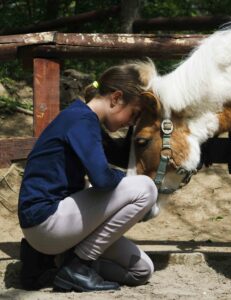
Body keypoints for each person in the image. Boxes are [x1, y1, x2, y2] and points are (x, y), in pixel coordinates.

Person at [18, 60, 158, 292]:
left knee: (142, 270)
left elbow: (122, 157)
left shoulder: (86, 121)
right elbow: (102, 179)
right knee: (146, 188)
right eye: (133, 114)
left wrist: (141, 124)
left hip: (62, 226)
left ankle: (50, 263)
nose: (131, 122)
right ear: (115, 98)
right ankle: (79, 266)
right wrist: (130, 191)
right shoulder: (80, 121)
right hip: (46, 221)